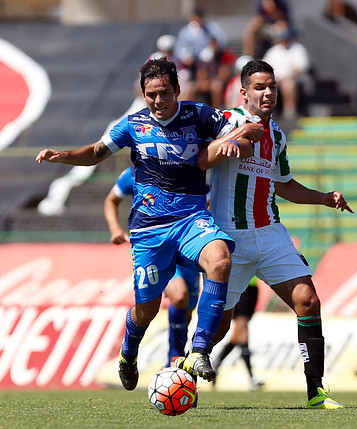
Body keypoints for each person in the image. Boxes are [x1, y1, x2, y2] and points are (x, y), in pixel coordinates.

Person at [36, 58, 263, 390]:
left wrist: (236, 143)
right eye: (151, 94)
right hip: (150, 229)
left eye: (164, 93)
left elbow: (248, 137)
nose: (158, 101)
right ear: (143, 94)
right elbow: (97, 152)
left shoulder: (199, 115)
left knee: (220, 259)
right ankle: (129, 352)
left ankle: (198, 349)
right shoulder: (132, 124)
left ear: (177, 89)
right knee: (147, 310)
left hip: (192, 219)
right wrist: (64, 156)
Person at [198, 59, 352, 409]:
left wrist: (324, 198)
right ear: (243, 92)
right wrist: (233, 140)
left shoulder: (278, 136)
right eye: (259, 87)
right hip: (228, 237)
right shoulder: (227, 122)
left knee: (308, 301)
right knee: (219, 326)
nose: (268, 93)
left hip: (270, 233)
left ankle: (316, 392)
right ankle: (182, 375)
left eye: (272, 87)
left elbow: (284, 185)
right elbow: (202, 161)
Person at [103, 166, 201, 367]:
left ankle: (175, 358)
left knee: (188, 309)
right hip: (159, 246)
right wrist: (115, 229)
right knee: (179, 296)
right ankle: (173, 359)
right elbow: (111, 200)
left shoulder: (193, 167)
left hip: (188, 243)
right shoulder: (133, 174)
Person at [211, 277, 264, 390]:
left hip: (252, 288)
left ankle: (216, 363)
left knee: (238, 336)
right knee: (243, 331)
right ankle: (251, 377)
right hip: (240, 286)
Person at [262, 27, 311, 119]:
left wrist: (285, 77)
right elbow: (265, 66)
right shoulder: (274, 50)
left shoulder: (298, 49)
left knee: (288, 84)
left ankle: (289, 110)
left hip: (293, 79)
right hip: (275, 79)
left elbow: (300, 68)